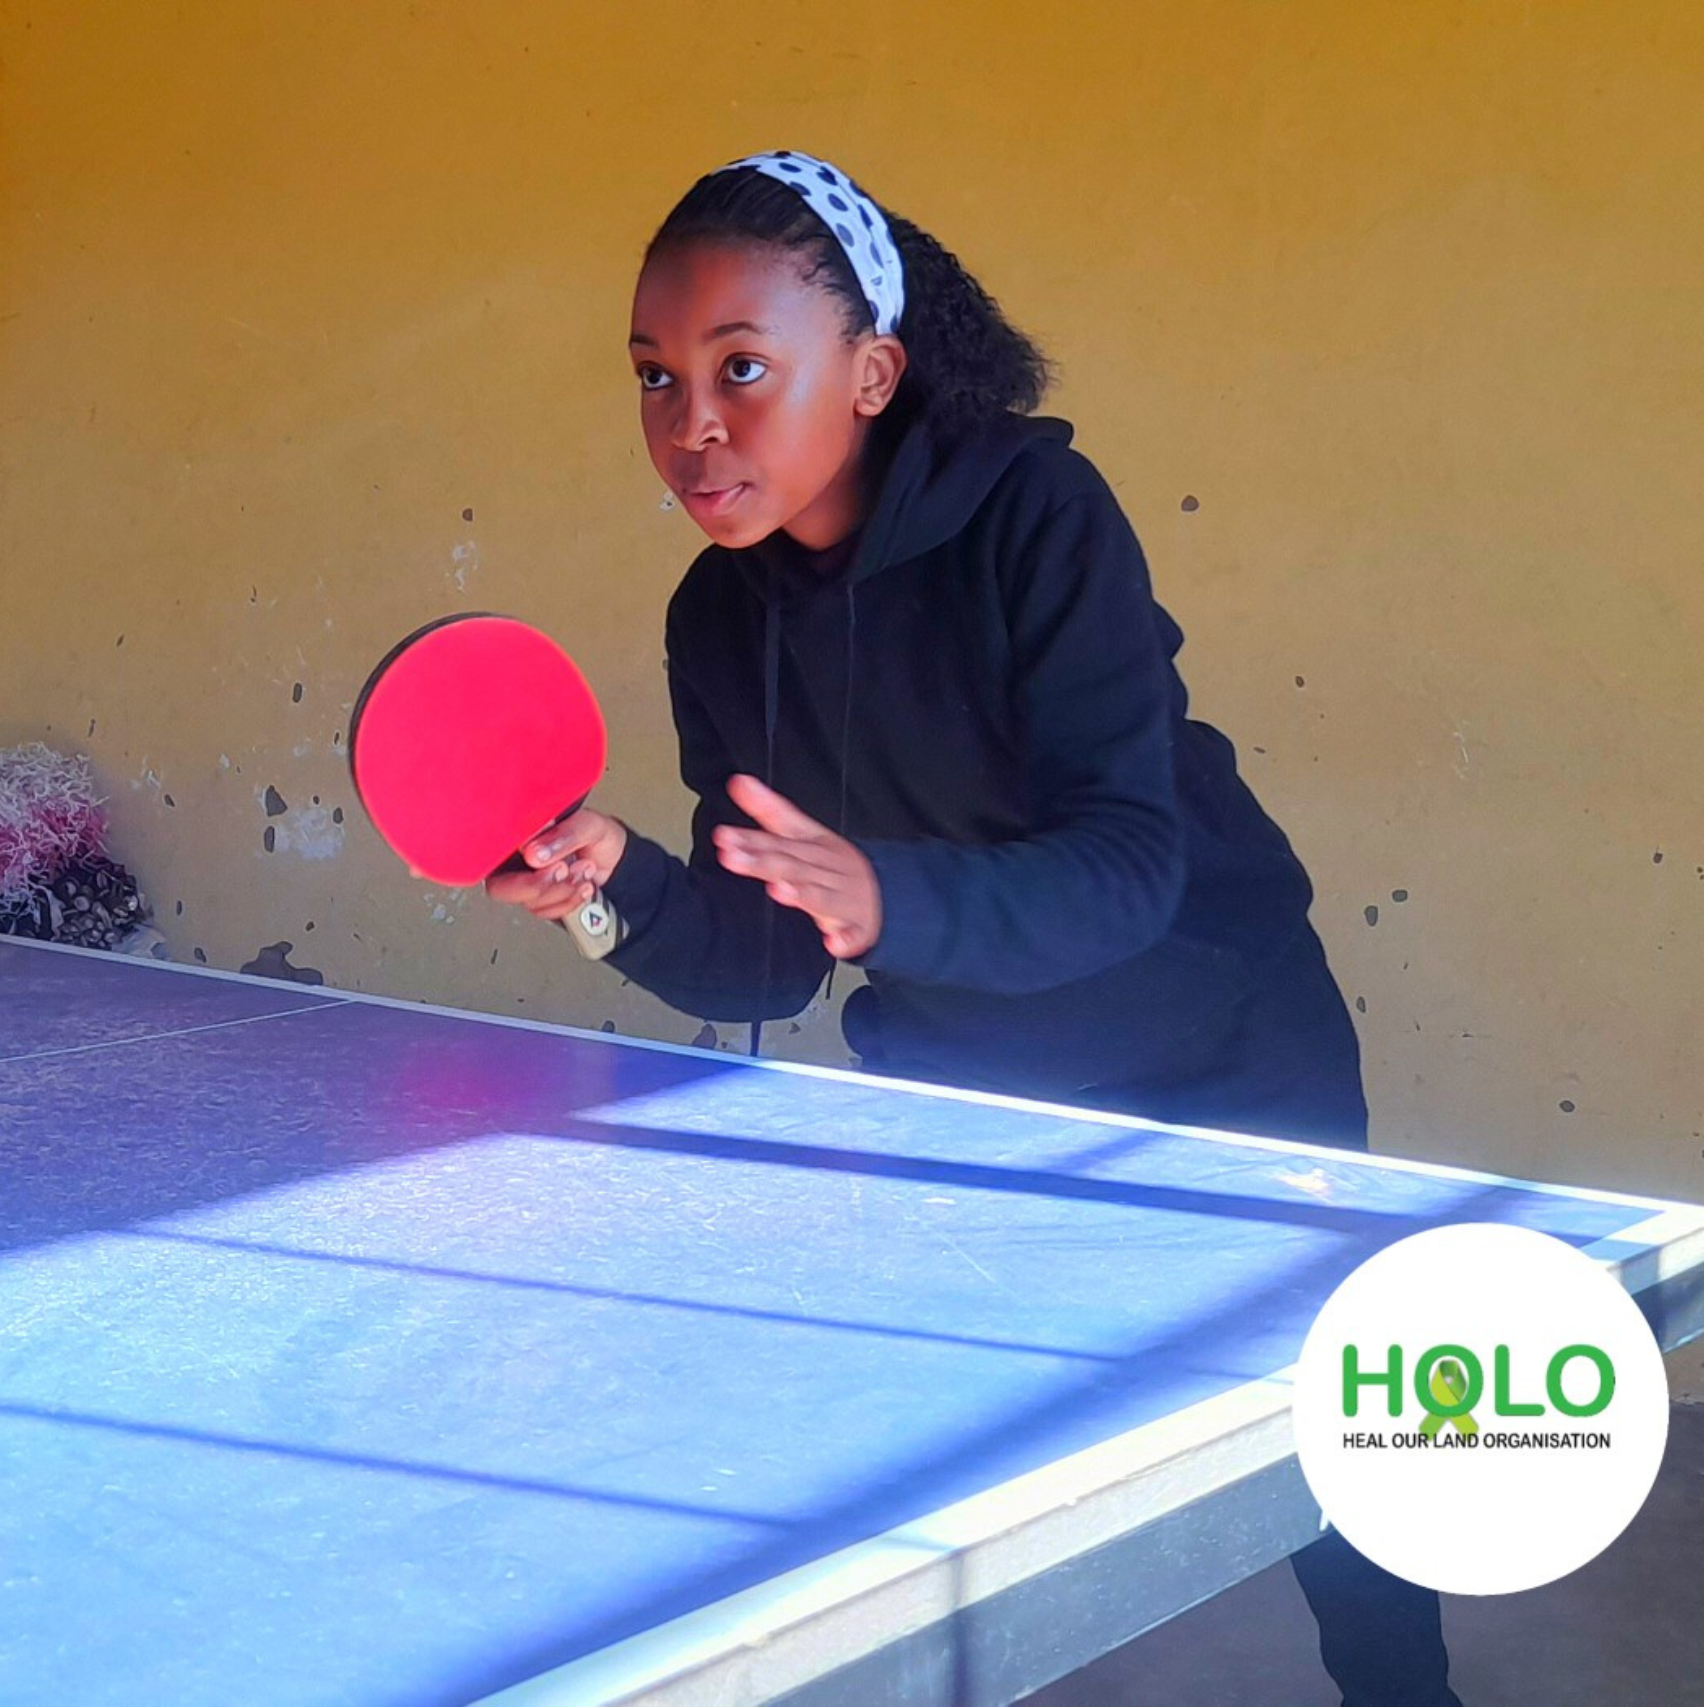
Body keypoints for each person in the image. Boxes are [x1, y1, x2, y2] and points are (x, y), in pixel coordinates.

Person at [488, 150, 1459, 1707]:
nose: (691, 424)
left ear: (872, 374)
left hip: (1221, 1043)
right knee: (939, 1484)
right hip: (976, 1076)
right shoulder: (715, 619)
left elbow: (1129, 863)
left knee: (1332, 1455)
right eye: (655, 376)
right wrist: (615, 884)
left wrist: (888, 896)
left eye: (741, 368)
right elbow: (770, 956)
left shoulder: (1037, 515)